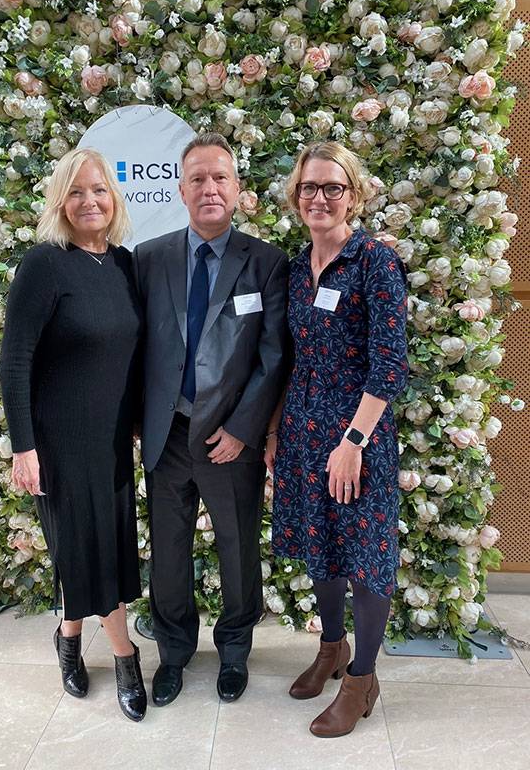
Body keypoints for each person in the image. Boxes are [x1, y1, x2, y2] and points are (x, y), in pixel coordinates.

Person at [132, 132, 288, 706]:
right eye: (197, 178)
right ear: (180, 189)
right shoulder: (148, 259)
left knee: (237, 549)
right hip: (168, 436)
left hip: (231, 440)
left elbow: (275, 355)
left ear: (238, 188)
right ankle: (173, 653)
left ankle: (235, 653)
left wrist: (245, 429)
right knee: (169, 553)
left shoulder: (267, 262)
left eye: (220, 177)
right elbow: (134, 344)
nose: (209, 188)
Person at [265, 142, 408, 738]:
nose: (319, 198)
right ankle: (330, 647)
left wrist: (352, 441)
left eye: (332, 188)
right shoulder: (296, 267)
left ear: (355, 193)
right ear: (296, 197)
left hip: (358, 436)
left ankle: (360, 679)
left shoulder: (375, 260)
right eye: (308, 188)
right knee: (320, 544)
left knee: (364, 557)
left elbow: (390, 363)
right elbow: (287, 356)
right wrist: (275, 428)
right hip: (301, 429)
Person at [0, 147, 147, 722]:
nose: (90, 201)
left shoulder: (126, 264)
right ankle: (125, 654)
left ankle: (66, 635)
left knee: (97, 544)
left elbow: (132, 354)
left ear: (115, 199)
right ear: (62, 200)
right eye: (78, 191)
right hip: (58, 440)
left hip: (110, 440)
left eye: (100, 190)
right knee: (88, 546)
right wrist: (23, 445)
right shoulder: (44, 264)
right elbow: (15, 360)